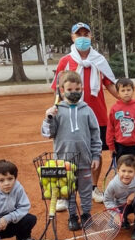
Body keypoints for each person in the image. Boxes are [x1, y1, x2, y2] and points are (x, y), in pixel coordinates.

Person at [51, 22, 119, 207]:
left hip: (97, 115)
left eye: (85, 34)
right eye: (78, 34)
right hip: (70, 114)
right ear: (72, 37)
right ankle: (65, 194)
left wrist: (124, 100)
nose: (82, 37)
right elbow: (58, 88)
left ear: (91, 37)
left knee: (96, 151)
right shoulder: (66, 61)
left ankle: (93, 187)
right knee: (67, 154)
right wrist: (56, 109)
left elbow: (110, 84)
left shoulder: (99, 61)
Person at [42, 70, 102, 231]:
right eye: (69, 90)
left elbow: (95, 135)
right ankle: (72, 216)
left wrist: (96, 155)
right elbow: (48, 133)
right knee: (67, 191)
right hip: (63, 160)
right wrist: (48, 118)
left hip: (85, 159)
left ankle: (86, 215)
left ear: (81, 89)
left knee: (85, 190)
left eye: (77, 89)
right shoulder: (56, 110)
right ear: (62, 90)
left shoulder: (87, 110)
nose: (74, 93)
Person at [106, 78, 135, 178]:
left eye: (129, 90)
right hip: (120, 147)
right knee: (121, 172)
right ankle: (122, 192)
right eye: (123, 90)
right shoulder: (114, 108)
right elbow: (110, 128)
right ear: (117, 93)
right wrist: (111, 146)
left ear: (133, 91)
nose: (126, 93)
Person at [103, 154, 135, 240]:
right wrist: (116, 214)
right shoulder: (113, 184)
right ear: (118, 170)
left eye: (130, 171)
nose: (126, 174)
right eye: (123, 171)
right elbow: (107, 200)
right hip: (121, 206)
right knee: (113, 226)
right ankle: (124, 219)